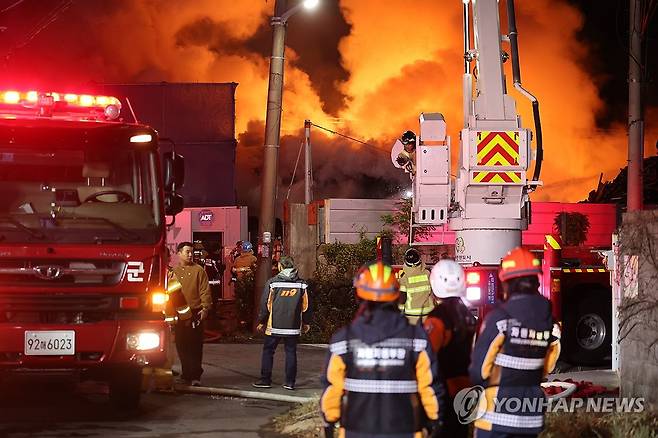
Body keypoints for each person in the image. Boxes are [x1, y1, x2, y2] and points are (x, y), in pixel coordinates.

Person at [320, 261, 446, 438]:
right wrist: (435, 420)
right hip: (404, 431)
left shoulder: (344, 341)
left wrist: (329, 420)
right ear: (397, 296)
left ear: (359, 296)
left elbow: (333, 388)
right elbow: (429, 386)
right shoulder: (416, 339)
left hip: (356, 432)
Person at [469, 248, 561, 438]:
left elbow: (479, 372)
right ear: (536, 281)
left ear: (506, 283)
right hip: (530, 418)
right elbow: (547, 367)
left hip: (495, 419)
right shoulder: (549, 322)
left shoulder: (500, 319)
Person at [423, 260, 477, 438]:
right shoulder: (467, 315)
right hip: (465, 389)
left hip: (443, 391)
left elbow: (426, 356)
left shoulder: (437, 318)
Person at [253, 255, 310, 390]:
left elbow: (266, 304)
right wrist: (306, 322)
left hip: (274, 326)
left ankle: (265, 380)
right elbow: (306, 306)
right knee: (291, 352)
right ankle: (290, 382)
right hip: (293, 326)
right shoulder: (302, 284)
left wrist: (262, 321)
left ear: (280, 266)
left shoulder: (273, 283)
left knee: (268, 351)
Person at [170, 241, 212, 386]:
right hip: (179, 314)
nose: (190, 255)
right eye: (187, 252)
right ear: (179, 253)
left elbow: (205, 290)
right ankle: (186, 374)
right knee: (181, 344)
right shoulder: (174, 272)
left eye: (191, 252)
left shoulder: (199, 270)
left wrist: (205, 308)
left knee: (195, 345)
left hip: (195, 312)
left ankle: (195, 376)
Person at [398, 247, 435, 325]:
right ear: (420, 260)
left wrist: (400, 313)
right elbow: (434, 293)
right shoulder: (427, 274)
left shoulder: (404, 278)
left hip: (411, 317)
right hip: (427, 315)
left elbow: (402, 299)